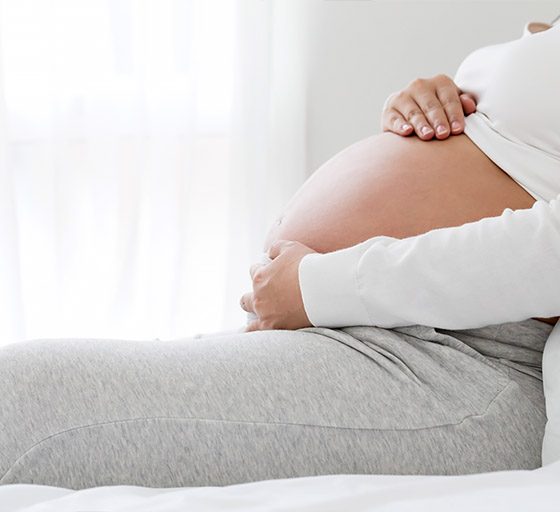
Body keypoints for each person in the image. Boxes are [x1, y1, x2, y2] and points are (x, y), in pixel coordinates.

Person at [1, 21, 558, 489]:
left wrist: (316, 288)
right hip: (381, 325)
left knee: (20, 406)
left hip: (467, 358)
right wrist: (430, 105)